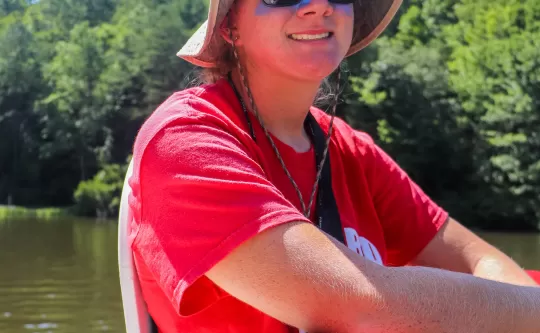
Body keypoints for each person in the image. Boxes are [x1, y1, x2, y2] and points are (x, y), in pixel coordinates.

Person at [127, 0, 540, 332]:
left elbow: (479, 261)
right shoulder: (183, 141)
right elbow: (357, 308)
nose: (318, 5)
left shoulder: (349, 149)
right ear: (229, 27)